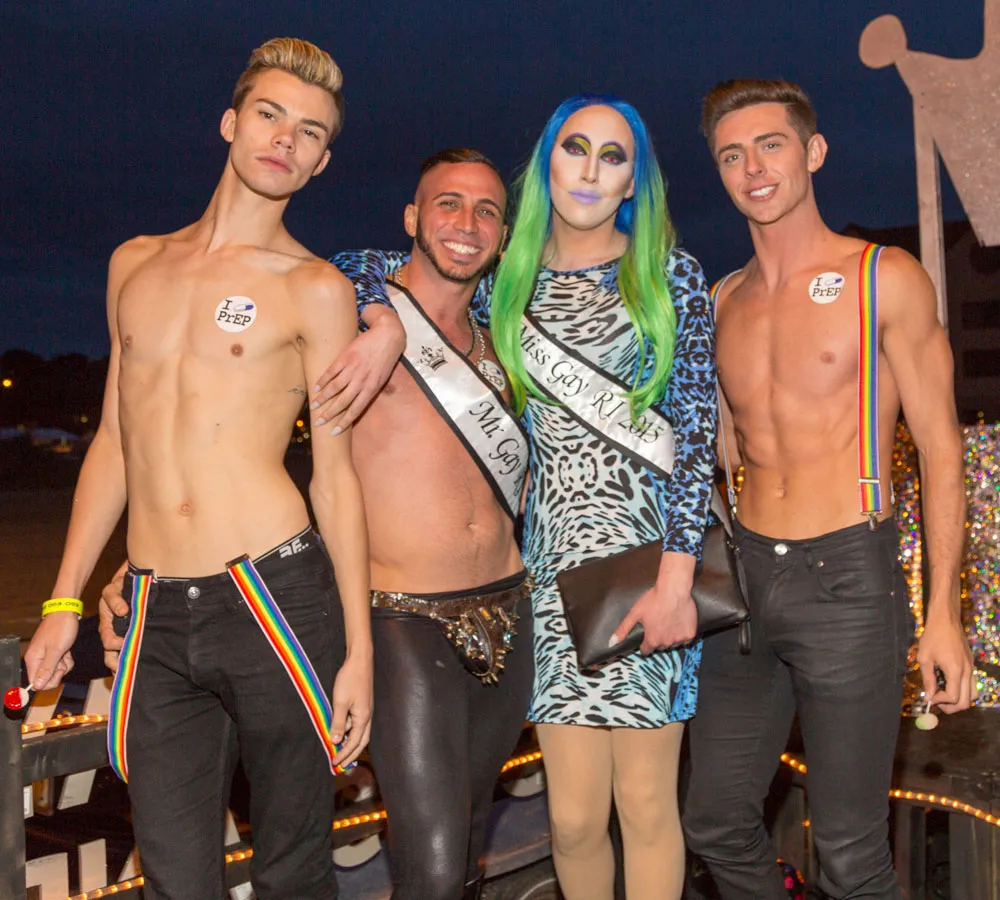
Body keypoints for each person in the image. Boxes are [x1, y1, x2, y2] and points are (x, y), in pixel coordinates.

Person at [101, 148, 534, 900]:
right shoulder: (355, 306)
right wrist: (143, 559)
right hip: (401, 615)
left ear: (503, 236)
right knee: (432, 866)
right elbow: (219, 420)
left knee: (465, 843)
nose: (467, 222)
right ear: (411, 217)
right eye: (447, 203)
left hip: (508, 610)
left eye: (487, 211)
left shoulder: (507, 329)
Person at [335, 95, 717, 900]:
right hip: (543, 581)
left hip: (646, 568)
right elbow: (356, 263)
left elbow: (695, 431)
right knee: (571, 820)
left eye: (613, 156)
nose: (591, 169)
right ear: (547, 165)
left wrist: (679, 577)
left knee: (646, 805)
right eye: (574, 148)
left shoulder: (669, 276)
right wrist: (383, 320)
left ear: (633, 183)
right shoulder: (506, 282)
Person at [24, 38, 373, 900]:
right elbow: (114, 440)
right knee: (176, 875)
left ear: (322, 162)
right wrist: (65, 600)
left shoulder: (316, 288)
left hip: (274, 597)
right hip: (153, 607)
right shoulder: (133, 264)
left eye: (310, 132)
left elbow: (335, 478)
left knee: (293, 868)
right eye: (270, 114)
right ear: (229, 122)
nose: (285, 139)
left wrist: (359, 650)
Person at [683, 79, 975, 900]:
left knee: (849, 853)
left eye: (770, 145)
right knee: (714, 821)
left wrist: (943, 615)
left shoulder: (883, 276)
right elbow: (715, 456)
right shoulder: (721, 300)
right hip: (746, 587)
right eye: (731, 155)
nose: (752, 168)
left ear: (812, 152)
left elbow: (943, 451)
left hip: (846, 577)